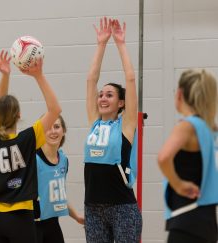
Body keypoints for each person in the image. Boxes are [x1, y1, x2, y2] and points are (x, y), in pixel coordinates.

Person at [0, 50, 61, 243]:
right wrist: (38, 76)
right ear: (19, 115)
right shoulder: (29, 138)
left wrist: (5, 75)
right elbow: (55, 110)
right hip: (21, 216)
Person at [83, 17, 142, 243]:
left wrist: (120, 44)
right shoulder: (94, 123)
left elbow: (130, 78)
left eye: (109, 95)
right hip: (93, 208)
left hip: (122, 208)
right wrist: (101, 45)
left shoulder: (125, 126)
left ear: (121, 103)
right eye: (101, 95)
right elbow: (91, 80)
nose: (102, 97)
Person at [157, 69, 218, 243]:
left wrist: (178, 184)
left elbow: (163, 157)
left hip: (186, 221)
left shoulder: (188, 126)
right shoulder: (212, 130)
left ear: (180, 94)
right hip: (208, 224)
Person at [34, 115, 84, 243]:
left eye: (56, 127)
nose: (53, 131)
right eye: (48, 127)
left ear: (63, 130)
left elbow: (59, 195)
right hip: (32, 226)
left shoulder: (63, 160)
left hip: (52, 223)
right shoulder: (33, 159)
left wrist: (77, 216)